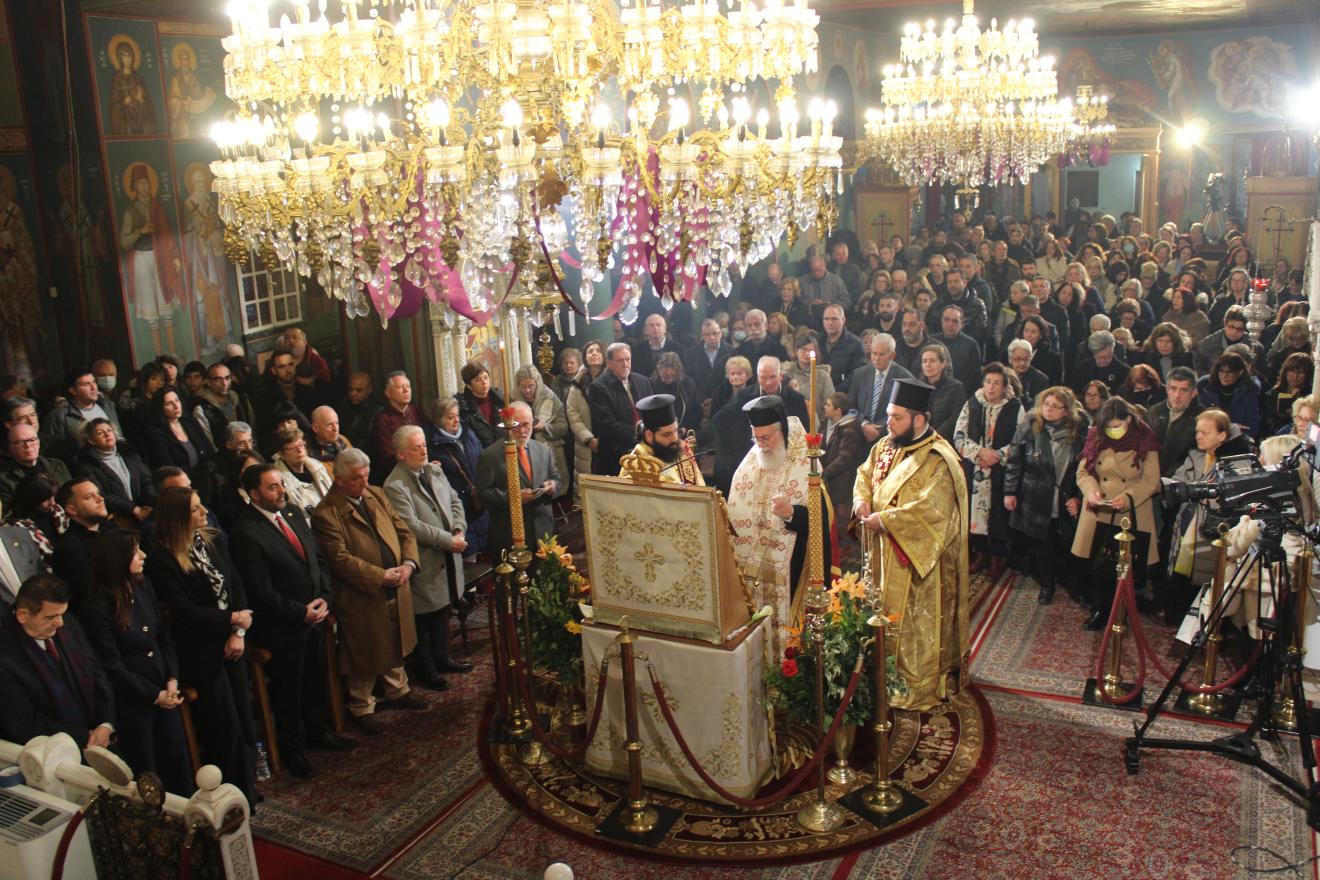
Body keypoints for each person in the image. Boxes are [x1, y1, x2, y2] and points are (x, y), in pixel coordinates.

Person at [853, 378, 970, 710]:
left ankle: (912, 683)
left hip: (916, 563)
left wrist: (886, 520)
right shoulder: (886, 445)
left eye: (897, 417)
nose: (888, 422)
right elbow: (864, 474)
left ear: (919, 419)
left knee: (912, 626)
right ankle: (877, 674)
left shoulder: (938, 459)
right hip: (880, 552)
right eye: (889, 414)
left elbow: (933, 511)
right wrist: (861, 500)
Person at [230, 464, 351, 779]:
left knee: (316, 679)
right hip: (283, 626)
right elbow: (260, 590)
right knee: (289, 690)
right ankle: (293, 749)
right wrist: (300, 612)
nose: (281, 491)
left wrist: (325, 597)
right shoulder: (246, 532)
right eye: (272, 487)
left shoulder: (294, 513)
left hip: (315, 615)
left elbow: (317, 560)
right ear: (254, 494)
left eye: (281, 484)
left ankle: (319, 731)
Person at [145, 486, 257, 803]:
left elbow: (236, 584)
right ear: (178, 518)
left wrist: (238, 631)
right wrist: (231, 620)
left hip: (233, 639)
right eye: (195, 509)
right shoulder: (163, 559)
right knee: (224, 725)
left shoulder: (214, 540)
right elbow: (183, 610)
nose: (204, 511)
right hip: (202, 650)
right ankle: (232, 789)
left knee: (244, 716)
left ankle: (249, 782)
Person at [311, 448, 427, 735]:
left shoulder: (376, 494)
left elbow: (404, 532)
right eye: (356, 479)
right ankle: (362, 706)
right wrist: (379, 575)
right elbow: (339, 559)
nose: (363, 483)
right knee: (364, 650)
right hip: (361, 593)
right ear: (338, 479)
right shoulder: (326, 513)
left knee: (394, 638)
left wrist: (409, 563)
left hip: (396, 582)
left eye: (366, 475)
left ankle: (398, 689)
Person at [81, 531, 192, 794]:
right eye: (135, 552)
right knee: (149, 774)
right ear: (117, 559)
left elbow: (163, 637)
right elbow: (111, 666)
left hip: (164, 690)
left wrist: (172, 679)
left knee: (177, 763)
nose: (143, 555)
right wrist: (154, 695)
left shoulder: (142, 586)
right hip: (134, 703)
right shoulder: (98, 606)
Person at [726, 396, 825, 654]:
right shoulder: (749, 464)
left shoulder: (805, 463)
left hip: (789, 569)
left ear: (781, 432)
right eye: (756, 438)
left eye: (766, 437)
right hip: (751, 571)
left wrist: (792, 513)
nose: (761, 444)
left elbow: (822, 519)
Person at [383, 426, 472, 691]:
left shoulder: (434, 470)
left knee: (442, 610)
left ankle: (443, 657)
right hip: (425, 558)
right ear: (400, 454)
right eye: (416, 448)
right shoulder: (395, 485)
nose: (423, 451)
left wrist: (459, 528)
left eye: (423, 445)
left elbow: (455, 501)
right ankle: (427, 669)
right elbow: (412, 526)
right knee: (424, 618)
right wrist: (448, 540)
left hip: (448, 552)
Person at [1071, 397, 1162, 630]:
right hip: (1099, 510)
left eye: (1116, 426)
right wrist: (1091, 492)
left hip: (1131, 509)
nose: (1112, 431)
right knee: (1097, 564)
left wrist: (1128, 498)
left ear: (1128, 419)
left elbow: (1151, 480)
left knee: (1125, 567)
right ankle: (1100, 609)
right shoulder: (1096, 436)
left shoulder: (1145, 439)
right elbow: (1083, 473)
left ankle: (1122, 611)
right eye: (1108, 427)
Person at [0, 574, 115, 750]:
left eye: (62, 614)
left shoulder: (68, 624)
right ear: (23, 615)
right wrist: (86, 736)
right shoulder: (5, 656)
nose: (60, 623)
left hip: (101, 735)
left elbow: (96, 674)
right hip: (52, 752)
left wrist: (105, 724)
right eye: (50, 617)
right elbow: (23, 721)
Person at [1165, 408, 1253, 622]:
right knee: (1183, 575)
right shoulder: (1195, 456)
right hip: (1188, 523)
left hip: (1214, 530)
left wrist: (1205, 496)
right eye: (1197, 431)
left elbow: (1238, 498)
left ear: (1222, 435)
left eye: (1205, 432)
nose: (1199, 436)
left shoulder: (1238, 462)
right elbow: (1178, 481)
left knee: (1207, 581)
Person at [1004, 387, 1087, 604]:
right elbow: (1015, 461)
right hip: (1036, 495)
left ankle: (1072, 584)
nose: (1049, 410)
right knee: (1042, 543)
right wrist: (1010, 491)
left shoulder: (1079, 432)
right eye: (1046, 404)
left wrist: (1079, 496)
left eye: (1055, 406)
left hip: (1065, 496)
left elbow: (1086, 468)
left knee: (1067, 542)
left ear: (1067, 411)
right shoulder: (1029, 427)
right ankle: (1047, 584)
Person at [954, 363, 1027, 580]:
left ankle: (997, 557)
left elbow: (1020, 440)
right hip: (975, 468)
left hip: (1001, 469)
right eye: (988, 382)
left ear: (1004, 386)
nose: (991, 387)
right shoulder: (972, 404)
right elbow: (959, 435)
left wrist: (998, 455)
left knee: (998, 514)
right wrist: (980, 453)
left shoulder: (1015, 407)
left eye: (996, 383)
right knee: (974, 512)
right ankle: (980, 554)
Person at [475, 401, 560, 553]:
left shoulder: (543, 450)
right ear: (507, 425)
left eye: (526, 424)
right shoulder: (490, 456)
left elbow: (557, 479)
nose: (522, 430)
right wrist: (514, 497)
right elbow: (483, 494)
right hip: (509, 535)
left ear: (533, 423)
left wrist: (552, 486)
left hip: (543, 532)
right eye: (516, 425)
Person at [427, 397, 489, 557]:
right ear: (439, 420)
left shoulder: (469, 434)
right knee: (470, 557)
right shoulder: (433, 446)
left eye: (457, 415)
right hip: (460, 510)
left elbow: (483, 459)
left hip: (480, 505)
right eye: (450, 417)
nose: (456, 421)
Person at [52, 478, 119, 610]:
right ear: (72, 510)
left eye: (98, 493)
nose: (100, 499)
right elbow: (90, 596)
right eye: (89, 497)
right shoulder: (68, 548)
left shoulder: (113, 529)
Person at [587, 343, 653, 476]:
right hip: (615, 455)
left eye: (628, 359)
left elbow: (652, 412)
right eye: (620, 360)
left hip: (647, 450)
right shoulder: (597, 387)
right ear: (609, 363)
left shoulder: (644, 381)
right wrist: (640, 433)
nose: (625, 364)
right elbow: (606, 424)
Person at [74, 418, 152, 523]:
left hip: (145, 509)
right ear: (91, 440)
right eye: (100, 433)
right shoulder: (86, 464)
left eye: (109, 430)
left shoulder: (129, 453)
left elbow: (146, 480)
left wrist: (149, 504)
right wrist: (133, 509)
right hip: (117, 517)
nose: (107, 434)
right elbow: (100, 494)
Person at [846, 333, 914, 444]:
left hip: (890, 438)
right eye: (874, 353)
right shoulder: (859, 374)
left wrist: (878, 429)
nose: (876, 358)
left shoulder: (905, 378)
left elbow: (903, 413)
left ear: (892, 355)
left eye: (882, 354)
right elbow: (850, 407)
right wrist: (863, 425)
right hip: (859, 436)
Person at [515, 365, 570, 498]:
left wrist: (544, 426)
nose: (527, 390)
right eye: (522, 386)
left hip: (547, 452)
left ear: (538, 383)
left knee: (549, 489)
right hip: (521, 452)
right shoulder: (512, 398)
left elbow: (563, 427)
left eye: (531, 386)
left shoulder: (550, 397)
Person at [627, 394, 704, 485]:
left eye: (676, 431)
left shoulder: (682, 449)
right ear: (649, 435)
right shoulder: (635, 465)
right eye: (667, 434)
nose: (674, 438)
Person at [144, 386, 215, 477]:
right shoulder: (157, 434)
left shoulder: (189, 422)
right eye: (169, 404)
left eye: (177, 400)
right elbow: (168, 468)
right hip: (180, 481)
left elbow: (209, 450)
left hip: (205, 476)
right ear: (160, 408)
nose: (176, 406)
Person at [1147, 367, 1204, 478]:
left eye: (1184, 390)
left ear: (1193, 393)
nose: (1177, 395)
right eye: (1173, 389)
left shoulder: (1202, 418)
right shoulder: (1153, 412)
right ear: (1167, 389)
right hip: (1150, 477)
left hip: (1183, 479)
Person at [0, 424, 72, 510]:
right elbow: (8, 512)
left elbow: (71, 494)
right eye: (20, 442)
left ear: (38, 442)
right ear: (11, 447)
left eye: (32, 440)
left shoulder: (58, 465)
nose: (28, 445)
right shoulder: (4, 478)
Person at [821, 391, 866, 522]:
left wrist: (825, 472)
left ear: (838, 411)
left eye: (828, 405)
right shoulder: (827, 423)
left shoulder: (850, 430)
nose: (824, 407)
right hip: (831, 480)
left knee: (841, 520)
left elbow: (845, 458)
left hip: (842, 483)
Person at [272, 426, 333, 522]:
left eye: (301, 445)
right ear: (281, 454)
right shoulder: (279, 480)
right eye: (292, 447)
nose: (299, 450)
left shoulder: (318, 466)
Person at [370, 372, 422, 483]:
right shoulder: (382, 420)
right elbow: (389, 457)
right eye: (400, 387)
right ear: (388, 393)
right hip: (398, 477)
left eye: (408, 386)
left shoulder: (416, 412)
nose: (406, 390)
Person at [1196, 352, 1260, 435]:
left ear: (1240, 372)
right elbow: (1198, 420)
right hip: (1207, 436)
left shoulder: (1249, 392)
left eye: (1230, 372)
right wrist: (1231, 427)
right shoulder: (1205, 388)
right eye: (1221, 371)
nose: (1224, 376)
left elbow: (1251, 428)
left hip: (1237, 439)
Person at [917, 344, 967, 440]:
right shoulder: (917, 386)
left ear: (943, 364)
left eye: (932, 361)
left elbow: (955, 418)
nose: (928, 365)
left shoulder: (956, 387)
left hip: (944, 439)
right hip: (919, 437)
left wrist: (934, 437)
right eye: (924, 361)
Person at [457, 362, 507, 450]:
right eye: (477, 380)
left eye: (486, 377)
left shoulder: (501, 399)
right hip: (480, 454)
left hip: (503, 450)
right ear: (469, 385)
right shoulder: (463, 407)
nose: (484, 382)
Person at [819, 304, 868, 392]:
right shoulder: (817, 341)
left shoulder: (856, 345)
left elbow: (856, 376)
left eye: (834, 319)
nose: (830, 323)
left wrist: (834, 393)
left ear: (843, 320)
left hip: (843, 396)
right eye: (826, 319)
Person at [683, 319, 733, 403]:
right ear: (702, 335)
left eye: (715, 333)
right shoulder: (690, 353)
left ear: (720, 333)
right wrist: (701, 399)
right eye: (707, 334)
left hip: (724, 400)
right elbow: (688, 379)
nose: (712, 337)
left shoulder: (732, 351)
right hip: (698, 402)